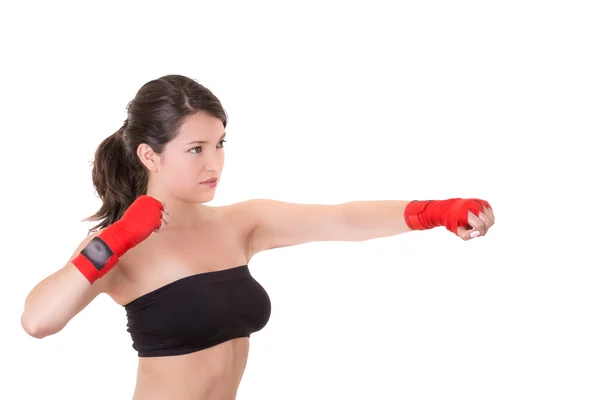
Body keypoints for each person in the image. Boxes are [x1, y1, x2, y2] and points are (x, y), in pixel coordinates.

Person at [20, 74, 495, 400]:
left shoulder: (240, 223)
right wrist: (118, 237)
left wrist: (434, 213)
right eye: (196, 149)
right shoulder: (116, 249)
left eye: (220, 143)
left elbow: (342, 219)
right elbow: (38, 322)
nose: (215, 163)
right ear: (149, 155)